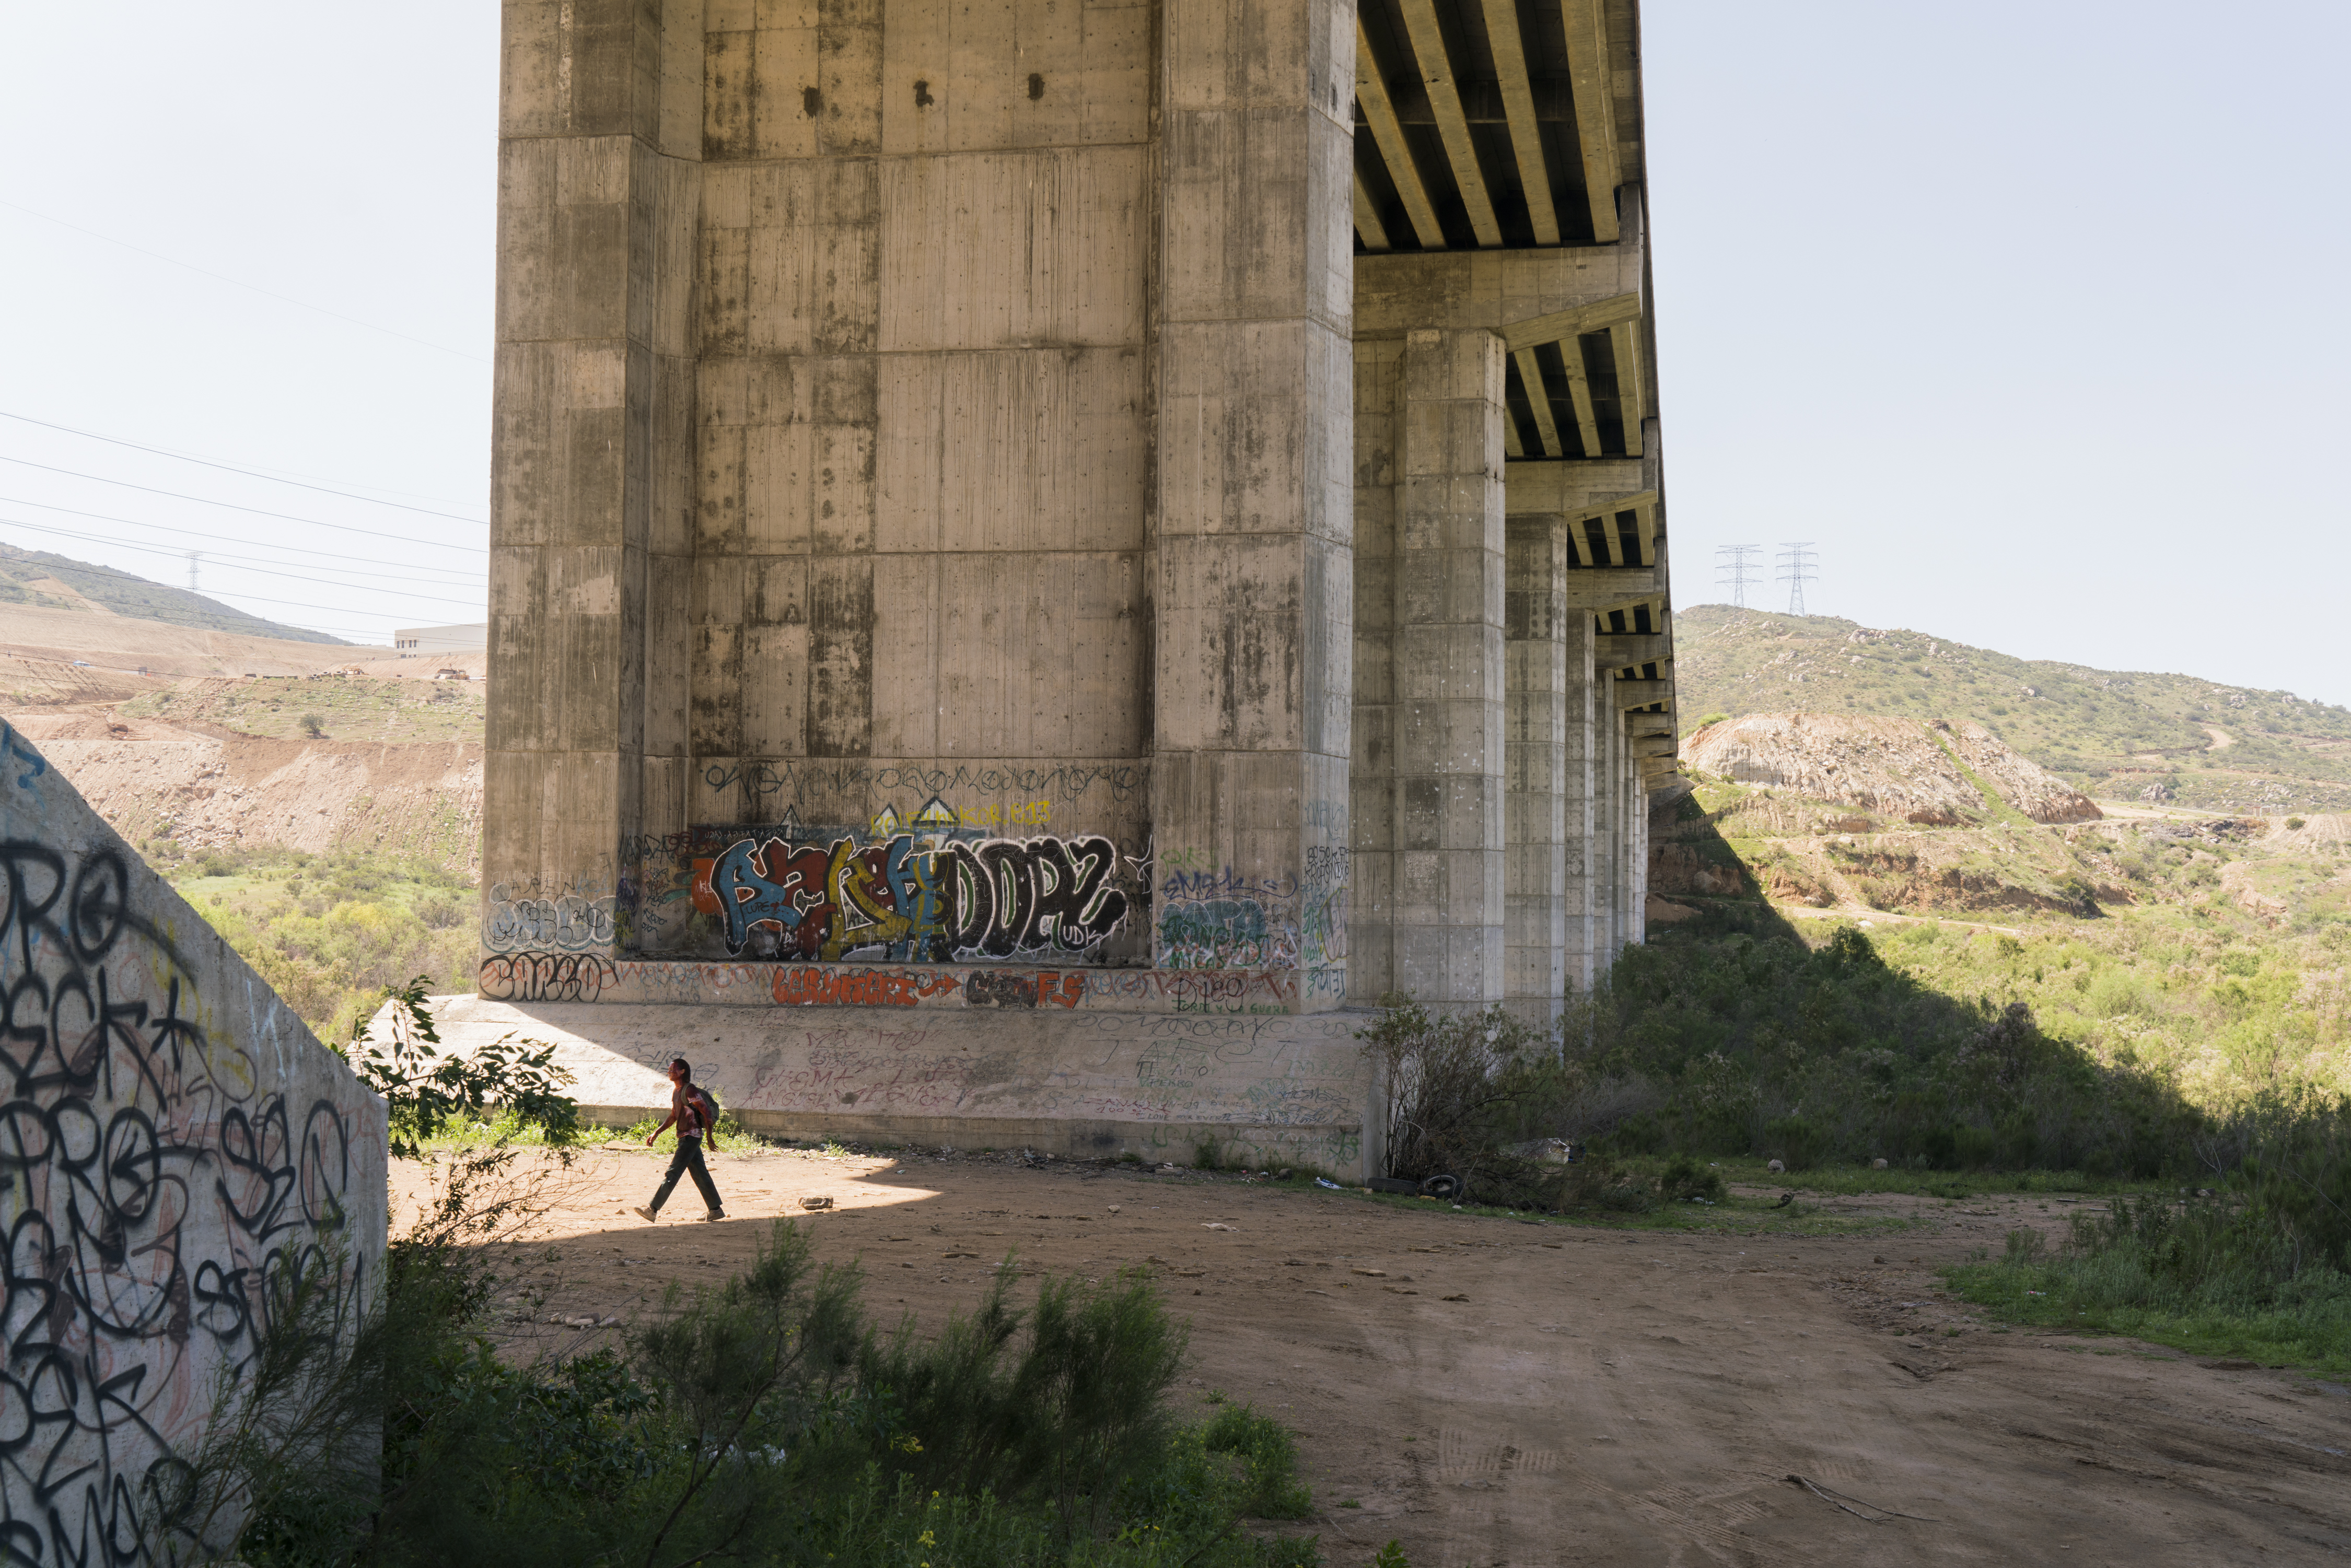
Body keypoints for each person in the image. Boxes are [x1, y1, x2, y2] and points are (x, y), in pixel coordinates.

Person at [634, 1058, 726, 1222]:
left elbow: (707, 1113)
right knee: (700, 1173)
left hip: (691, 1137)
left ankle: (652, 1210)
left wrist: (710, 1138)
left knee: (673, 1172)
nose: (669, 1072)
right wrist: (657, 1132)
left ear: (682, 1071)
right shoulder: (677, 1091)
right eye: (669, 1069)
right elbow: (674, 1116)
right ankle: (715, 1210)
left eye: (672, 1069)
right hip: (686, 1137)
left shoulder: (690, 1091)